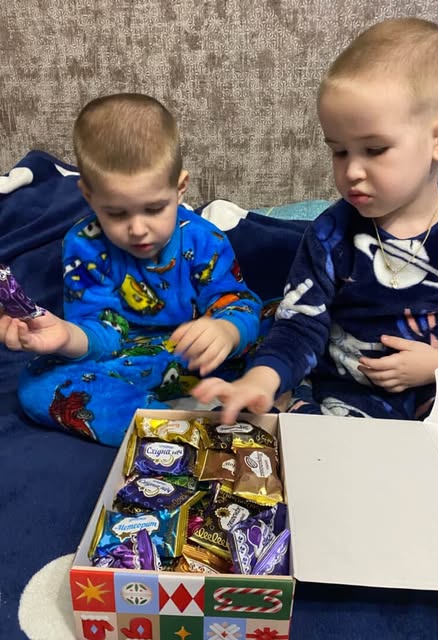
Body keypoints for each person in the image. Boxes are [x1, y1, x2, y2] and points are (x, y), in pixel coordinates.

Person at [193, 17, 438, 424]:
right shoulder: (330, 234)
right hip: (345, 401)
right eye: (339, 151)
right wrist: (261, 379)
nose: (352, 172)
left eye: (374, 150)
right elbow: (298, 327)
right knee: (284, 429)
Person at [0, 93, 262, 445]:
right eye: (116, 213)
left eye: (154, 209)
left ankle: (215, 406)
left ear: (180, 188)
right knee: (38, 384)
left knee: (278, 326)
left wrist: (226, 330)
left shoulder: (204, 239)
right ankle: (174, 430)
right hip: (130, 360)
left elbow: (238, 302)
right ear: (89, 196)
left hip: (202, 357)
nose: (138, 230)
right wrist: (66, 336)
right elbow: (103, 332)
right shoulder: (84, 245)